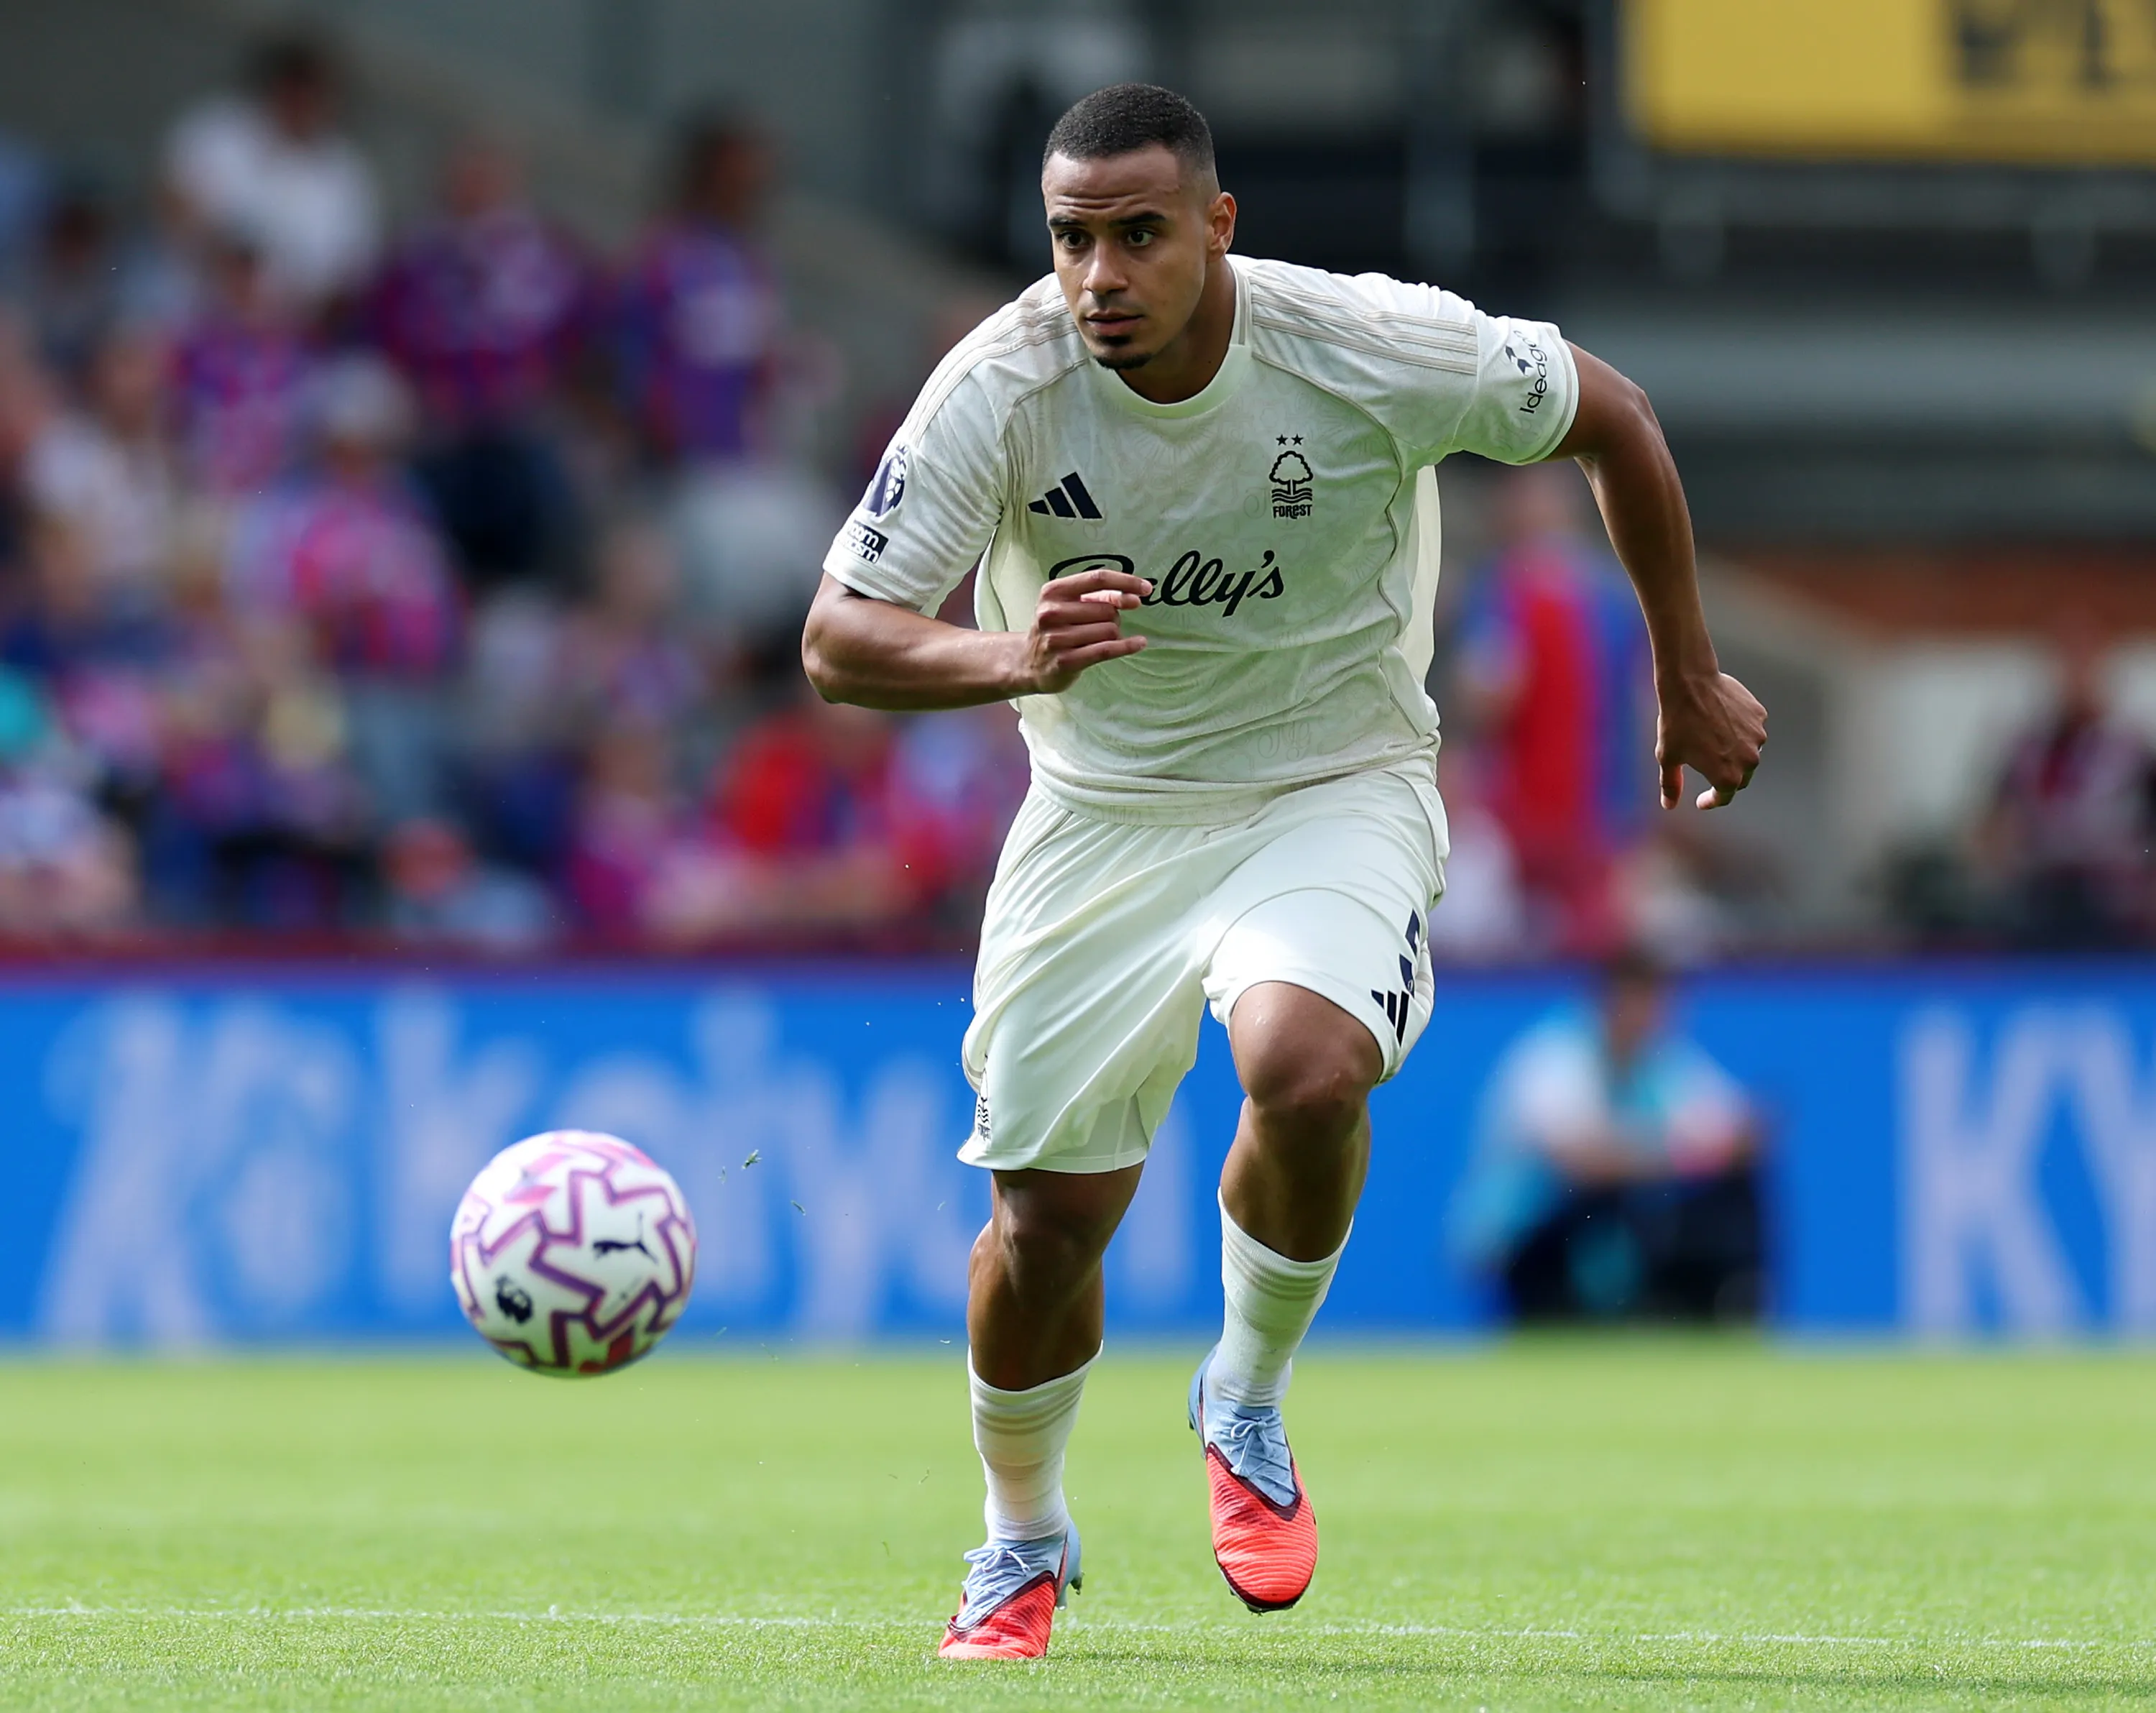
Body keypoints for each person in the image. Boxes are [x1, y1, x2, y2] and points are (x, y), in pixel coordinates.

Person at [800, 84, 1766, 1658]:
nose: (1098, 274)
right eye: (1070, 239)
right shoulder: (1000, 382)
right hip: (1102, 819)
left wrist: (1686, 670)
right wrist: (1004, 652)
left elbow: (1616, 417)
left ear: (1218, 228)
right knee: (1046, 1235)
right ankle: (1020, 1538)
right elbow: (837, 642)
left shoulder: (1371, 345)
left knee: (1308, 1070)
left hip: (1333, 786)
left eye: (1136, 235)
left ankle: (1242, 1390)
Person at [1447, 947, 1759, 1323]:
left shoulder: (1662, 1061)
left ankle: (1732, 1306)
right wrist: (1678, 1155)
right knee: (1599, 1198)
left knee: (1734, 1189)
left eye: (1660, 1003)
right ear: (1608, 1000)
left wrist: (1717, 1147)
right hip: (1526, 1240)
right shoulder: (1553, 1056)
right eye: (1640, 1001)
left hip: (1619, 1228)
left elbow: (1735, 1135)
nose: (1651, 1017)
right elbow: (1582, 1164)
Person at [1453, 461, 1656, 953]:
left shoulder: (1608, 595)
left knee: (1601, 942)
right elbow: (1482, 698)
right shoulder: (1499, 588)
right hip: (1513, 819)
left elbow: (1644, 703)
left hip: (1598, 815)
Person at [164, 32, 380, 321]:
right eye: (297, 86)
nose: (304, 101)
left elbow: (350, 281)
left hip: (283, 329)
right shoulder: (221, 129)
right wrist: (223, 266)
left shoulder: (348, 177)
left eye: (316, 92)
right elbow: (170, 200)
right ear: (279, 85)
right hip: (191, 291)